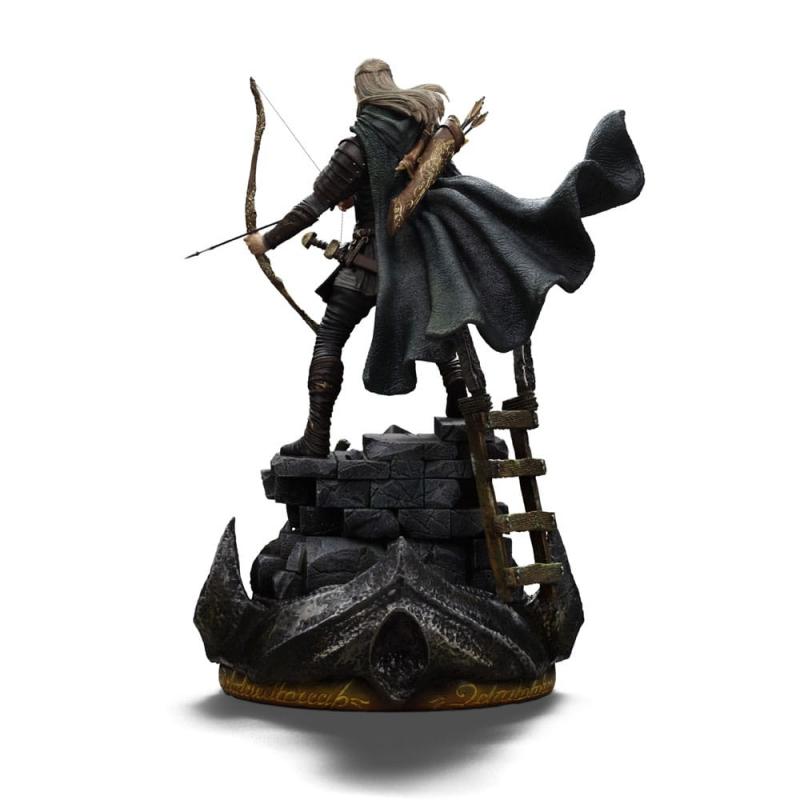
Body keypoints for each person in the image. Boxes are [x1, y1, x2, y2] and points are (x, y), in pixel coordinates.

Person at [247, 59, 645, 458]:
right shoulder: (418, 130)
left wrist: (267, 241)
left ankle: (316, 438)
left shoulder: (357, 146)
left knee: (330, 338)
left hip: (371, 260)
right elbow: (422, 181)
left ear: (361, 92)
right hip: (420, 260)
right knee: (440, 329)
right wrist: (360, 193)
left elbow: (313, 205)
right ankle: (461, 413)